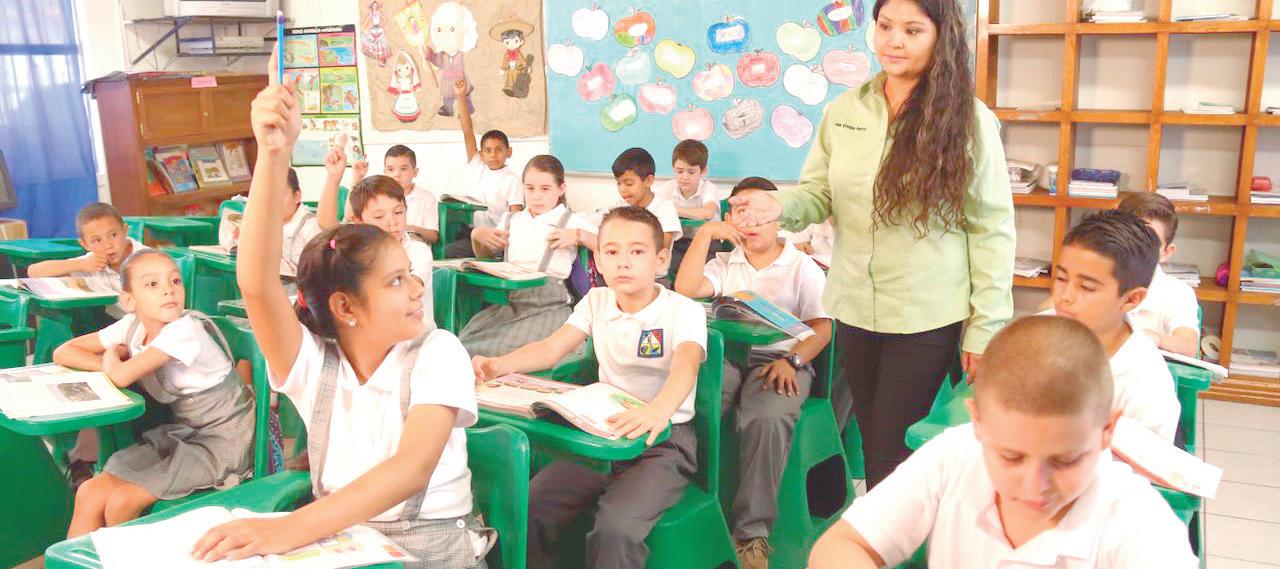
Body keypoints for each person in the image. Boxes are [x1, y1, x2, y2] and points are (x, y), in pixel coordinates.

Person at [190, 72, 491, 568]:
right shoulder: (314, 364)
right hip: (341, 541)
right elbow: (257, 285)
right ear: (345, 308)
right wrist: (273, 154)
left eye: (410, 274)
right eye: (396, 281)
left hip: (431, 548)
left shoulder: (438, 352)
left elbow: (411, 471)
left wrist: (287, 529)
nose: (418, 289)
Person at [727, 0, 1015, 487]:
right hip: (855, 307)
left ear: (941, 37)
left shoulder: (969, 119)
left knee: (891, 451)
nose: (894, 41)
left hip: (925, 314)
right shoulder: (845, 111)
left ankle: (893, 531)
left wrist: (986, 327)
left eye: (912, 30)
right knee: (871, 436)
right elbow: (818, 194)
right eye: (885, 26)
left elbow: (991, 228)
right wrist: (776, 205)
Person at [808, 316, 1198, 568]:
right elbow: (841, 546)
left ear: (1107, 431)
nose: (1033, 486)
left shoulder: (1138, 522)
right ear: (977, 421)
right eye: (1010, 457)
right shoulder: (954, 456)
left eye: (1064, 461)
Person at [472, 206, 705, 569]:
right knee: (530, 506)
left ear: (661, 259)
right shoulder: (596, 301)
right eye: (611, 251)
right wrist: (497, 365)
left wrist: (657, 410)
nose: (623, 262)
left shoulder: (683, 310)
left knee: (617, 528)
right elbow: (551, 348)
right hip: (603, 432)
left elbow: (686, 365)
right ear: (598, 258)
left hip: (664, 439)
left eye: (637, 251)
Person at [673, 176, 832, 569]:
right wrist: (705, 233)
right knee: (701, 401)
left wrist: (793, 361)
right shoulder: (725, 263)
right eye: (740, 213)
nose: (751, 222)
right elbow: (685, 288)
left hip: (780, 363)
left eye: (760, 213)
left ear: (778, 217)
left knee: (767, 415)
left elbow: (823, 326)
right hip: (727, 358)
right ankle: (690, 498)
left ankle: (751, 533)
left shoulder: (801, 266)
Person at [57, 250, 253, 536]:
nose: (168, 290)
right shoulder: (133, 326)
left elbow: (121, 376)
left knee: (122, 503)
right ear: (129, 301)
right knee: (89, 492)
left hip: (224, 443)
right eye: (152, 284)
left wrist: (112, 355)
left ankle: (122, 556)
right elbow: (65, 351)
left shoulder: (184, 330)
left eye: (175, 281)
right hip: (185, 435)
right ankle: (77, 558)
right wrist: (110, 365)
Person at [1048, 210, 1180, 442]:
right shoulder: (1035, 335)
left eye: (1086, 287)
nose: (1064, 296)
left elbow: (1142, 462)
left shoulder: (1145, 384)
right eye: (1061, 278)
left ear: (1131, 299)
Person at [458, 154, 590, 357]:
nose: (536, 196)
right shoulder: (511, 219)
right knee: (465, 342)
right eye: (530, 188)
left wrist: (579, 236)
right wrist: (477, 236)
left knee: (507, 352)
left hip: (547, 306)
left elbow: (610, 244)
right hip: (509, 303)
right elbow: (484, 256)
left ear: (561, 189)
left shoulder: (571, 220)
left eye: (545, 189)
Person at [444, 79, 524, 258]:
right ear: (481, 154)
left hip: (494, 237)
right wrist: (460, 96)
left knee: (450, 253)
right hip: (470, 232)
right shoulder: (477, 166)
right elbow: (467, 132)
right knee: (443, 252)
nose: (493, 155)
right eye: (488, 150)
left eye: (499, 150)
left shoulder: (512, 180)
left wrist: (508, 244)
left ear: (509, 152)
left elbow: (516, 216)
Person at [1116, 192, 1200, 357]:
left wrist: (1157, 339)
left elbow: (1188, 346)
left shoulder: (1177, 292)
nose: (1136, 248)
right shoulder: (1096, 279)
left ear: (1166, 252)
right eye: (1129, 237)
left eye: (1149, 243)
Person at [580, 148, 682, 280]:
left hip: (654, 279)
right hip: (622, 274)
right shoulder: (620, 205)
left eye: (629, 183)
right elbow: (591, 220)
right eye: (619, 184)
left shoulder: (664, 209)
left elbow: (660, 249)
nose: (622, 190)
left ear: (648, 181)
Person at [29, 202, 147, 295]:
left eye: (113, 235)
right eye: (97, 240)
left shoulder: (147, 258)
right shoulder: (90, 263)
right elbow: (33, 271)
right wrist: (82, 264)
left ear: (125, 230)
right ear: (85, 245)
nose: (108, 245)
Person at [348, 144, 439, 245]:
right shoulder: (377, 195)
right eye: (391, 169)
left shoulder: (426, 197)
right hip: (381, 246)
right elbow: (349, 217)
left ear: (415, 172)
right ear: (385, 172)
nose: (396, 174)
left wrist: (414, 229)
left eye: (403, 169)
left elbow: (434, 236)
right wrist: (356, 178)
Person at [655, 139, 721, 221]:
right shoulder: (669, 187)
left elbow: (708, 213)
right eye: (680, 171)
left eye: (691, 172)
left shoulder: (708, 188)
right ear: (673, 169)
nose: (685, 177)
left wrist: (670, 209)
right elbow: (655, 208)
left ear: (703, 172)